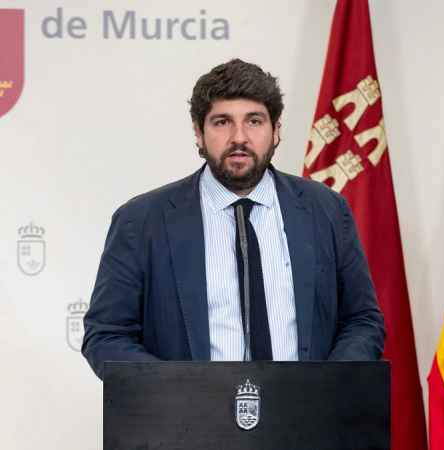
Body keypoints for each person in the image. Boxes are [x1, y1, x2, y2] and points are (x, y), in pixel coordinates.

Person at [83, 59, 385, 379]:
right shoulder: (141, 221)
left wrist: (325, 389)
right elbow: (106, 335)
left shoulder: (326, 209)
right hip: (189, 423)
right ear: (199, 133)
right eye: (222, 122)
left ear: (276, 130)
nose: (239, 137)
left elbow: (362, 320)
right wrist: (177, 393)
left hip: (306, 420)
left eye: (254, 121)